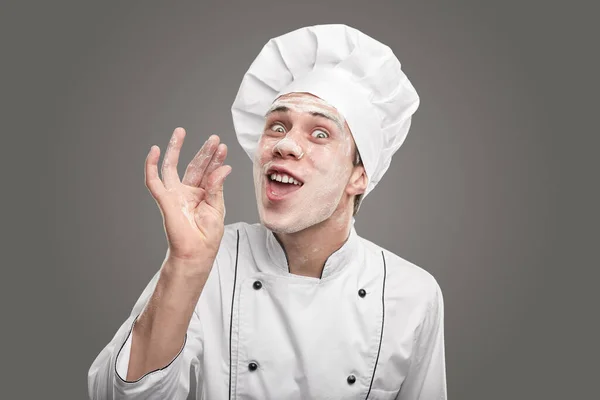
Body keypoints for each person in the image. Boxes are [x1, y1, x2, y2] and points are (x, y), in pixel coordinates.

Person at [88, 24, 447, 400]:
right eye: (277, 126)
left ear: (359, 175)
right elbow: (115, 396)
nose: (286, 144)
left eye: (320, 133)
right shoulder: (211, 262)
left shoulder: (412, 294)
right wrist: (186, 264)